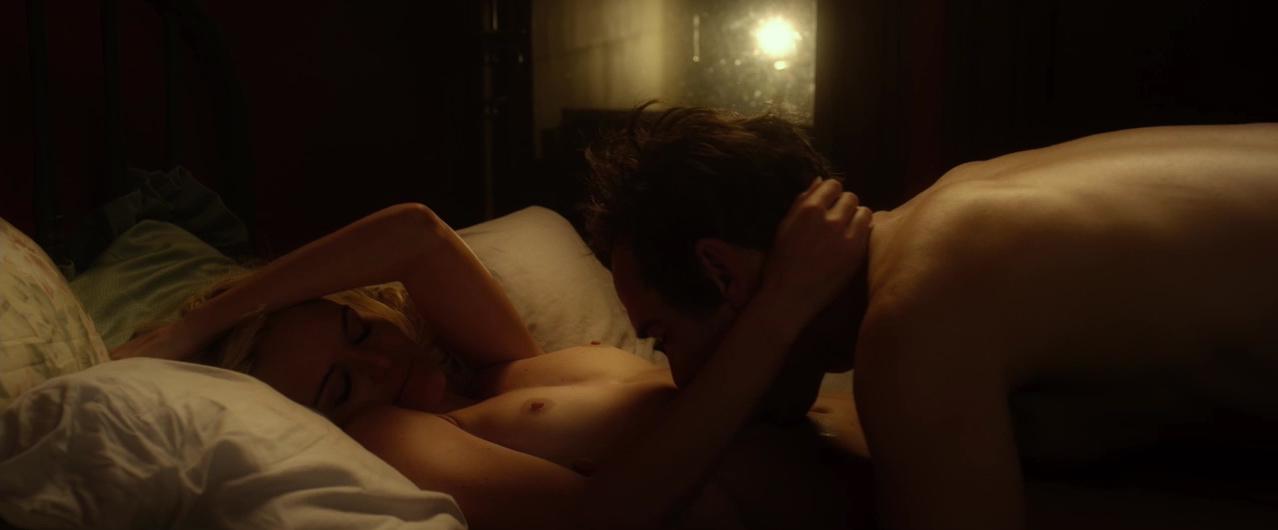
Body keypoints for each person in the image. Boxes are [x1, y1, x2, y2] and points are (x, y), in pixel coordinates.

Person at [582, 105, 1278, 530]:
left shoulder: (914, 316)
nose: (678, 377)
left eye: (663, 337)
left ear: (721, 272)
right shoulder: (941, 217)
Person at [111, 201, 875, 530]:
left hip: (871, 440)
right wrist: (778, 312)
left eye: (356, 327)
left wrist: (199, 322)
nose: (379, 360)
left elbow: (415, 235)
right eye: (342, 384)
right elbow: (597, 519)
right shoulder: (388, 434)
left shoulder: (495, 369)